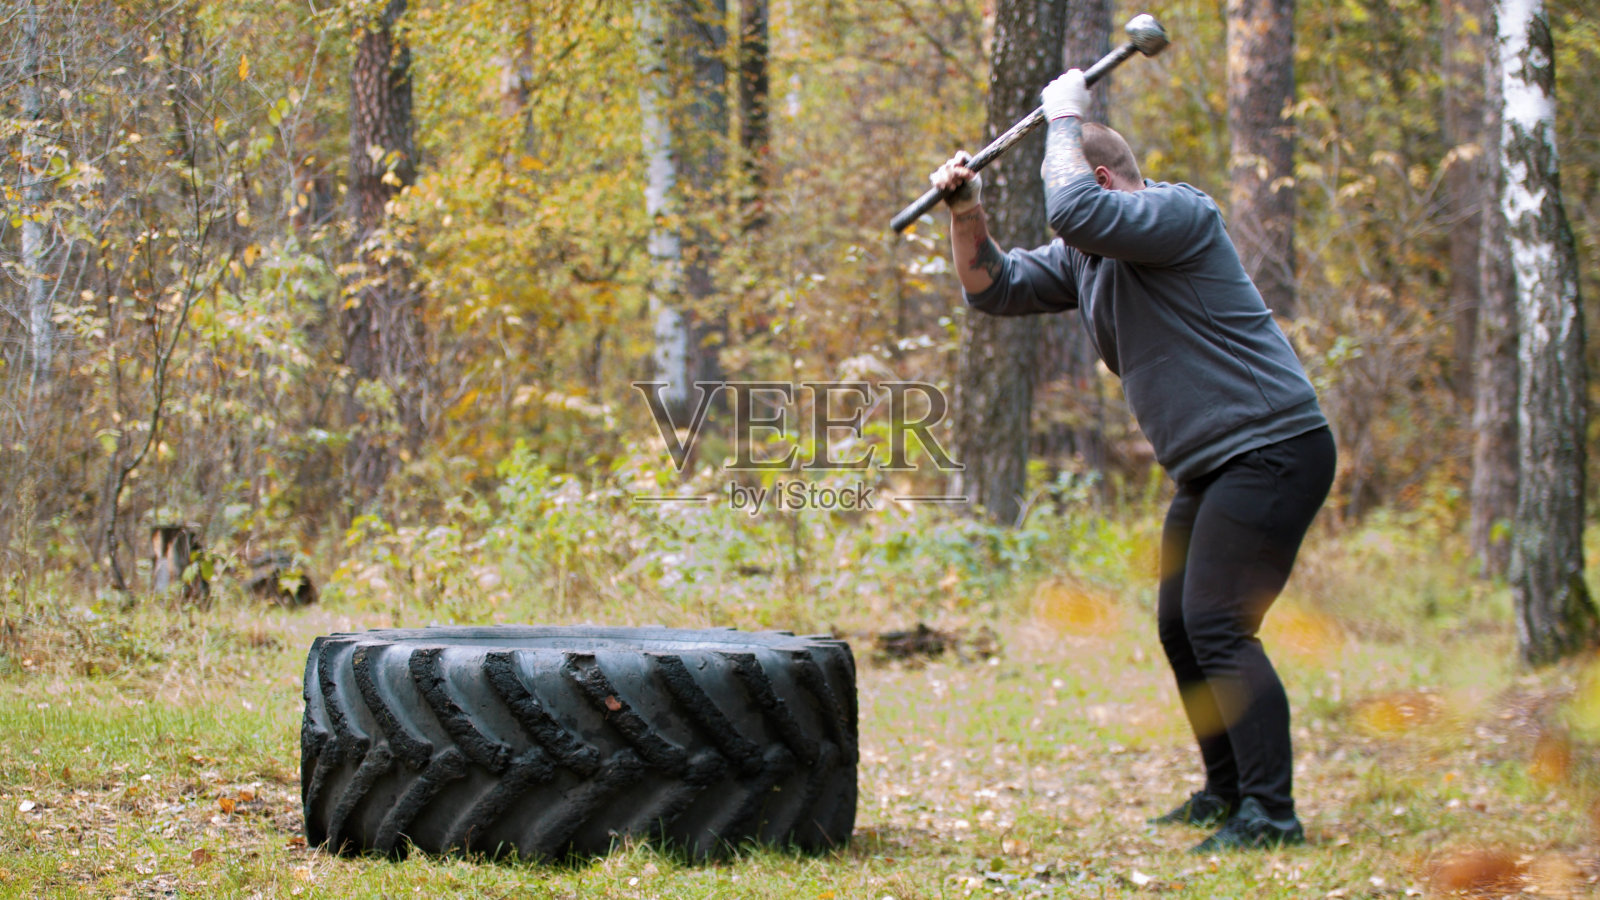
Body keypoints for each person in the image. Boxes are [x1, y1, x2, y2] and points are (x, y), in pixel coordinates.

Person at [930, 69, 1336, 853]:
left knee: (1218, 624)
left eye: (1078, 179)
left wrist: (1063, 116)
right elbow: (996, 288)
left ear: (1104, 179)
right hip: (1215, 465)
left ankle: (1272, 817)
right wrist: (965, 209)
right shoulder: (1087, 261)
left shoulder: (1180, 215)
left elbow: (1074, 208)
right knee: (1181, 628)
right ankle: (1227, 792)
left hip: (1273, 446)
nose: (1070, 211)